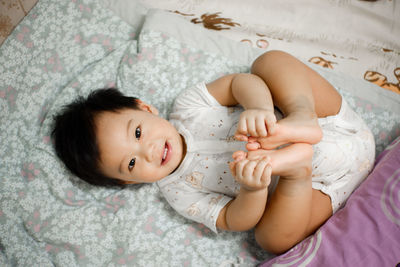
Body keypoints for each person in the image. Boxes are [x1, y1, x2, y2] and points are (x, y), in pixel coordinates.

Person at [52, 50, 375, 254]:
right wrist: (253, 188)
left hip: (330, 122)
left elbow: (240, 82)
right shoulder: (177, 192)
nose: (149, 150)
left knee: (268, 62)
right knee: (270, 241)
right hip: (324, 191)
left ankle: (300, 114)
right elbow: (235, 220)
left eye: (138, 132)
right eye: (132, 162)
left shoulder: (189, 106)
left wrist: (259, 107)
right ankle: (295, 171)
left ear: (144, 107)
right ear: (128, 182)